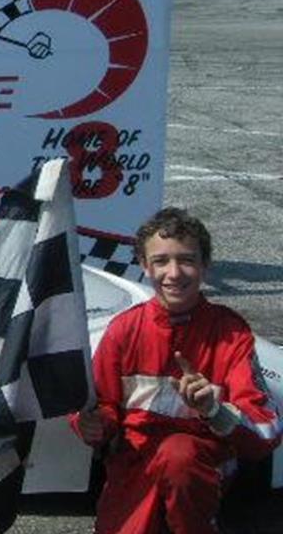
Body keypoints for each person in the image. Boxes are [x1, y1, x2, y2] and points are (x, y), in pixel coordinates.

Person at [70, 207, 281, 534]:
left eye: (186, 260)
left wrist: (214, 411)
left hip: (201, 468)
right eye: (160, 261)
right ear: (143, 265)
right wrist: (93, 424)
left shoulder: (231, 332)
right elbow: (101, 405)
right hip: (135, 465)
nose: (174, 273)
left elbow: (267, 432)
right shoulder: (124, 329)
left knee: (179, 454)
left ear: (205, 265)